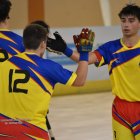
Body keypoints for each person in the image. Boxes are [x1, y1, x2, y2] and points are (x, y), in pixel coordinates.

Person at [46, 4, 140, 140]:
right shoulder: (110, 47)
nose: (126, 24)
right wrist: (65, 50)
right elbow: (85, 59)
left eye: (131, 21)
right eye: (123, 20)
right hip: (120, 110)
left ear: (139, 24)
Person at [0, 24, 93, 139]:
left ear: (24, 42)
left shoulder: (3, 65)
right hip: (33, 132)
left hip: (4, 131)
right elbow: (80, 80)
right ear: (43, 44)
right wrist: (84, 53)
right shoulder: (49, 67)